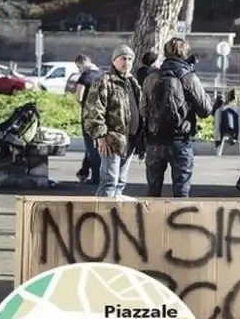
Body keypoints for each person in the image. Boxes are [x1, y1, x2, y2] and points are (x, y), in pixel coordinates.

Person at [140, 37, 213, 198]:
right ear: (186, 54)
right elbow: (206, 110)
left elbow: (143, 111)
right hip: (180, 141)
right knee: (181, 193)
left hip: (154, 141)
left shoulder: (151, 78)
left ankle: (151, 222)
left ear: (165, 53)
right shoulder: (189, 77)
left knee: (152, 192)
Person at [83, 44, 143, 197]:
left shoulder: (132, 83)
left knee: (121, 182)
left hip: (130, 140)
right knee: (109, 182)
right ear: (115, 60)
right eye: (123, 58)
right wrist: (101, 137)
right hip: (112, 141)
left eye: (130, 59)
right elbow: (93, 111)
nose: (127, 62)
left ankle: (114, 215)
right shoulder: (104, 81)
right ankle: (101, 215)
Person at [73, 54, 102, 184]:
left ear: (83, 63)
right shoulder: (102, 74)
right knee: (95, 145)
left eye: (79, 67)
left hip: (88, 115)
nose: (79, 70)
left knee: (91, 146)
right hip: (101, 115)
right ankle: (84, 171)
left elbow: (79, 96)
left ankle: (96, 176)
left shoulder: (85, 76)